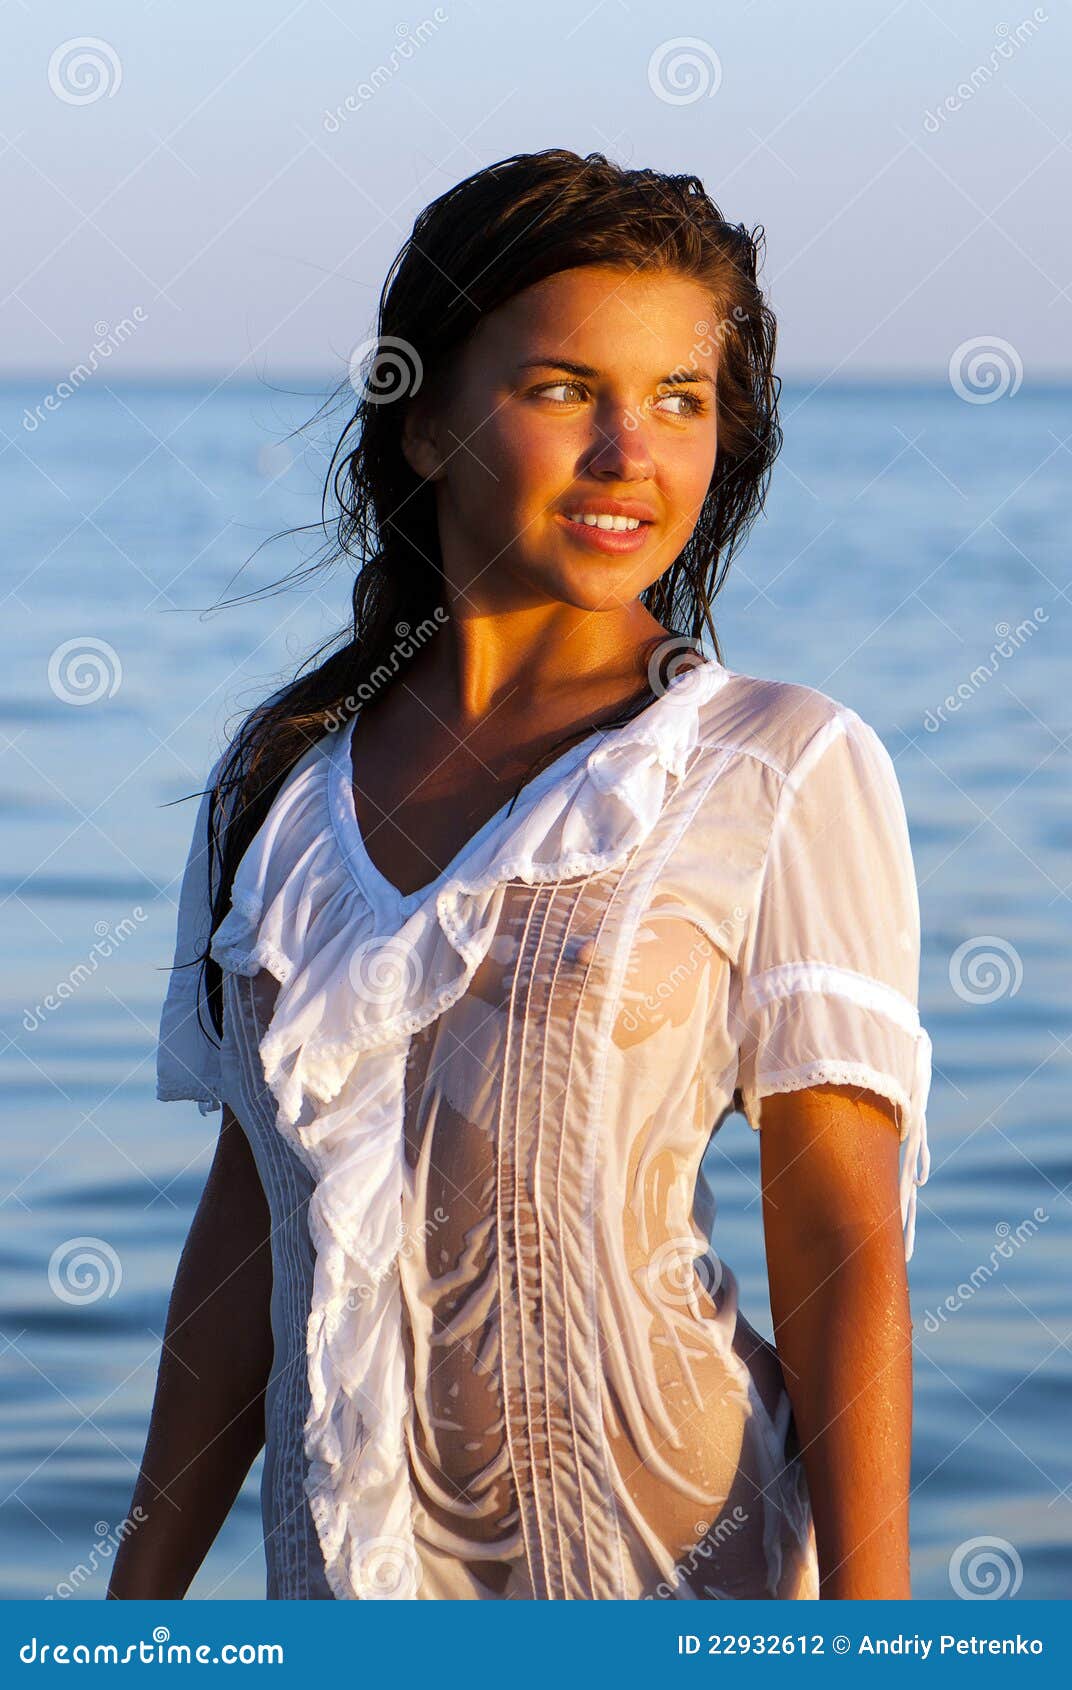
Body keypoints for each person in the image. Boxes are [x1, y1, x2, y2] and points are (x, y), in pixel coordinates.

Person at [108, 148, 932, 1602]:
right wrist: (136, 1610)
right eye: (565, 392)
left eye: (682, 400)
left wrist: (875, 1636)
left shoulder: (774, 767)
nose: (635, 454)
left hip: (681, 1594)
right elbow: (250, 1232)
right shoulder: (278, 786)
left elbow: (840, 1242)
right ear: (425, 422)